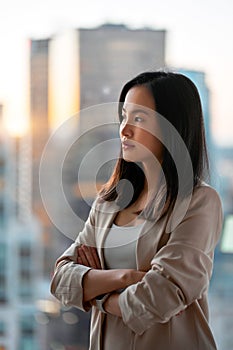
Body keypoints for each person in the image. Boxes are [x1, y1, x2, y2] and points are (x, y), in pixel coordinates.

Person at [50, 71, 223, 350]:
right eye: (124, 117)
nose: (124, 130)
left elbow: (160, 296)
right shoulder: (109, 202)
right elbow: (61, 279)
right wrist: (127, 277)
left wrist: (96, 293)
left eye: (139, 119)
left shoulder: (199, 202)